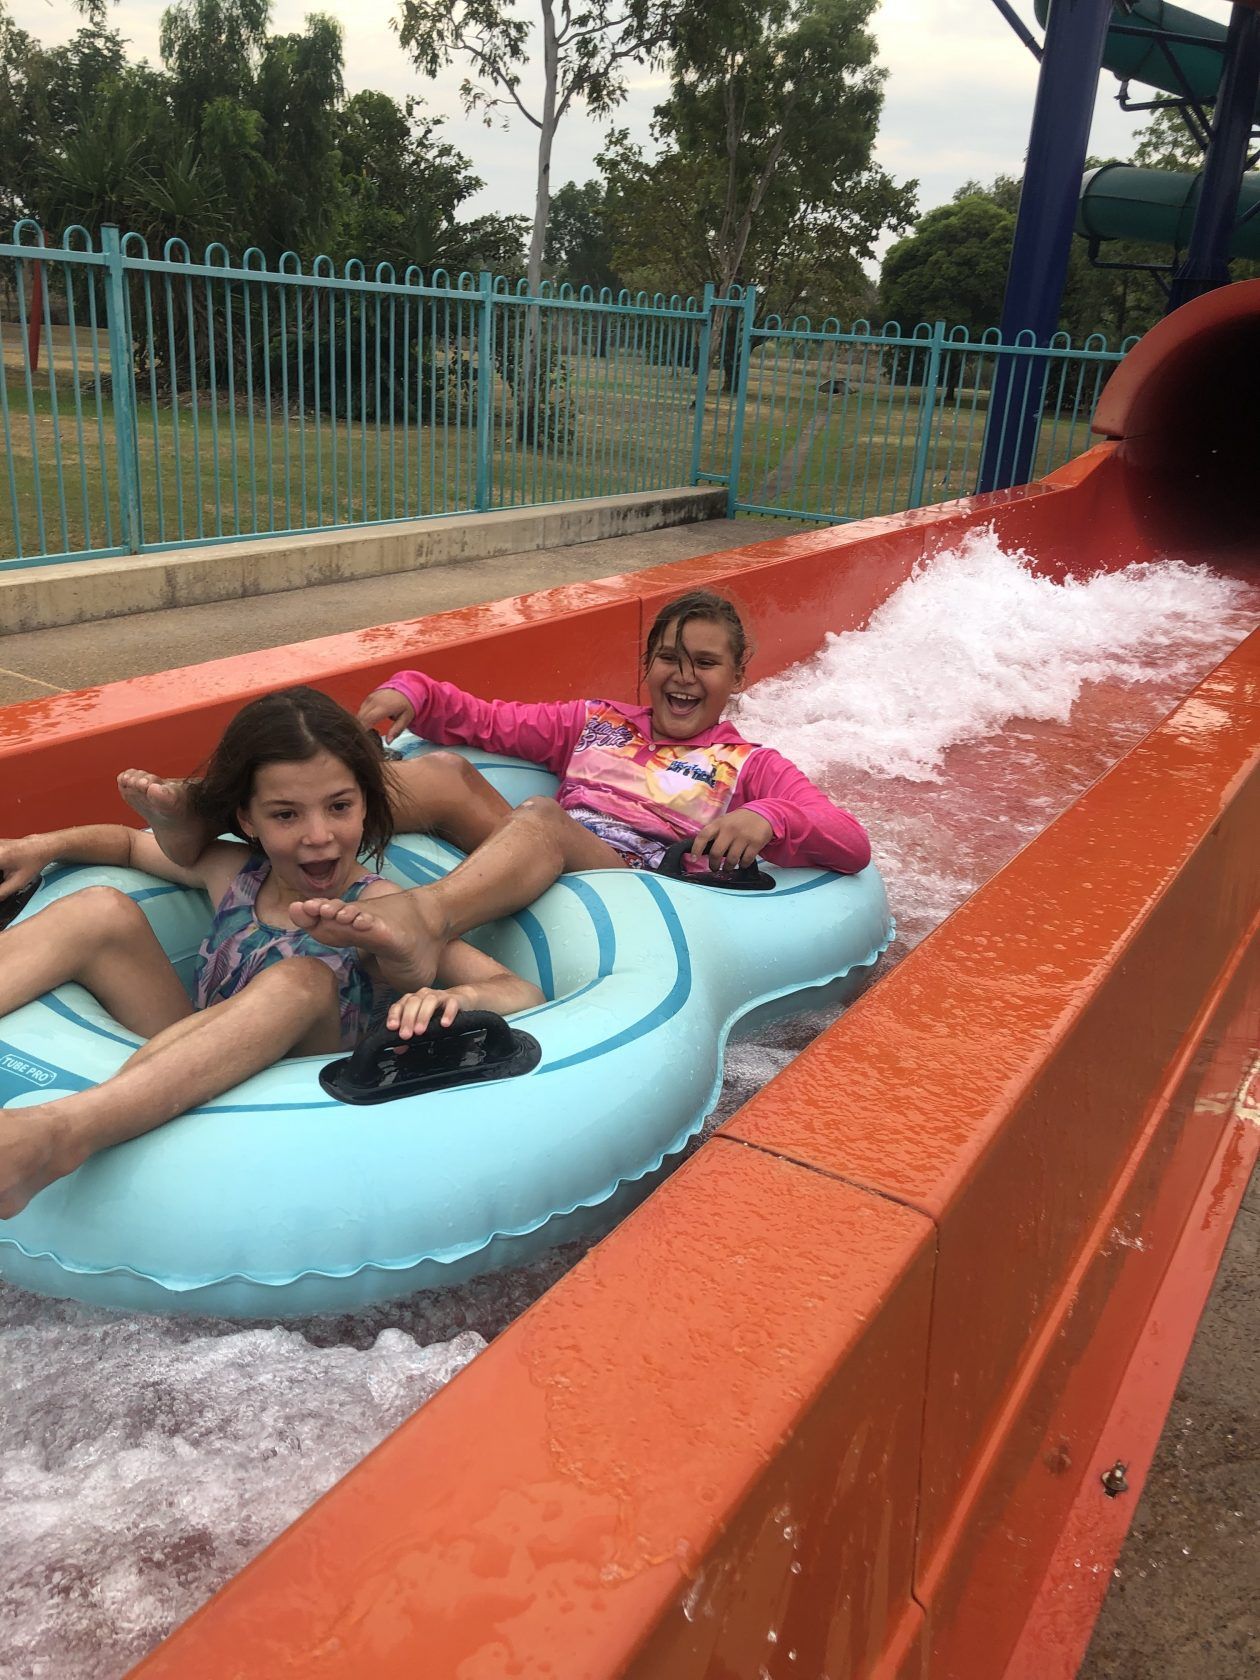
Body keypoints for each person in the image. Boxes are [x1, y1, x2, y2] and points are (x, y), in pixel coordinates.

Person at [0, 686, 543, 1219]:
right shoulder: (233, 871)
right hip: (194, 1046)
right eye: (286, 815)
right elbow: (124, 844)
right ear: (246, 819)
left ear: (365, 805)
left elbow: (517, 989)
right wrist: (42, 846)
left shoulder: (383, 910)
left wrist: (450, 998)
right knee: (98, 908)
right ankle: (129, 1101)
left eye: (339, 807)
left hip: (297, 1103)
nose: (318, 835)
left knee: (301, 978)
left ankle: (61, 1134)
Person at [287, 589, 871, 993]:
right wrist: (416, 691)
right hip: (546, 854)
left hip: (629, 886)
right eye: (668, 657)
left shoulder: (747, 765)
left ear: (738, 675)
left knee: (542, 817)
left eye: (706, 663)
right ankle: (264, 816)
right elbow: (487, 720)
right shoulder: (594, 723)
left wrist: (768, 818)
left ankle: (426, 919)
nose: (684, 676)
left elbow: (850, 842)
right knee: (445, 773)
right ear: (648, 664)